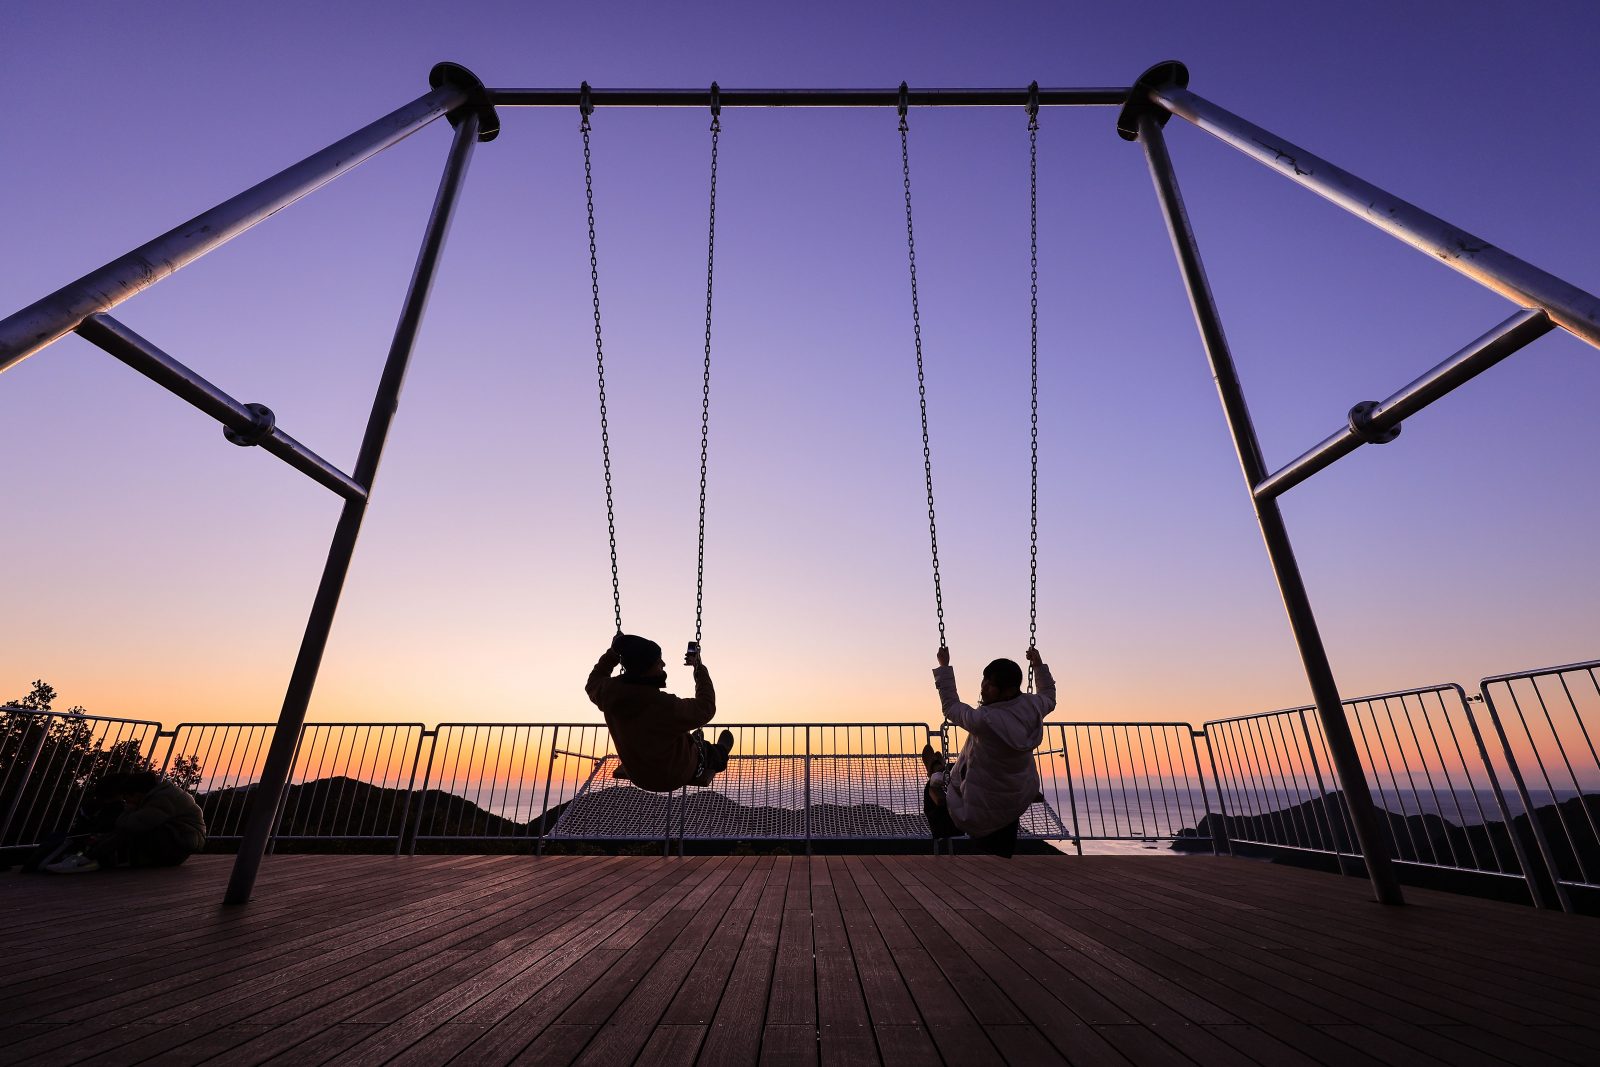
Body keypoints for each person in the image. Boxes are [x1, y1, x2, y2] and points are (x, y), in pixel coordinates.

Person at [922, 646, 1055, 858]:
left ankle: (935, 776)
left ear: (1008, 690)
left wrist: (944, 667)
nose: (983, 688)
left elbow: (951, 707)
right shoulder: (1033, 706)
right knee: (959, 768)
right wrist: (1038, 665)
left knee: (941, 796)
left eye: (990, 685)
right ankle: (939, 771)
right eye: (984, 680)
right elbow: (1048, 694)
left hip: (982, 800)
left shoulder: (984, 720)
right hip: (1020, 791)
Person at [585, 633, 734, 792]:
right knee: (707, 752)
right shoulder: (663, 704)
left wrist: (613, 653)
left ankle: (691, 740)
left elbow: (594, 680)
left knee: (678, 733)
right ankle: (720, 750)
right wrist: (699, 667)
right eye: (658, 662)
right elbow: (706, 707)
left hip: (638, 774)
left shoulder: (608, 692)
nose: (663, 663)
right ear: (645, 669)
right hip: (672, 776)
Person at [45, 770, 207, 873]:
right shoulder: (158, 795)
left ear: (137, 793)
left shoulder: (162, 800)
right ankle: (88, 857)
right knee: (129, 829)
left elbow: (129, 825)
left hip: (179, 846)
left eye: (127, 797)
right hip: (177, 842)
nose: (125, 801)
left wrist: (129, 810)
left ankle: (86, 858)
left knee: (132, 829)